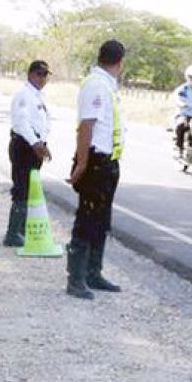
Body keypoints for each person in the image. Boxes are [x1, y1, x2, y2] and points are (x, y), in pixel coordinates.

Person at [66, 40, 126, 299]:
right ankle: (76, 279)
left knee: (101, 222)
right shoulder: (96, 85)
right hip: (95, 162)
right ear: (120, 63)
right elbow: (86, 127)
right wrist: (81, 164)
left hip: (107, 161)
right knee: (87, 220)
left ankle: (93, 273)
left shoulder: (107, 84)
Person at [2, 60, 53, 247]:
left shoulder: (38, 96)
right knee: (21, 189)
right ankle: (12, 233)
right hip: (24, 147)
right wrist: (36, 144)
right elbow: (22, 123)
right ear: (31, 74)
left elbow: (41, 124)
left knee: (30, 189)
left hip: (34, 147)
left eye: (45, 75)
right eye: (39, 74)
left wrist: (43, 143)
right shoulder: (24, 95)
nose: (43, 78)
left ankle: (22, 229)